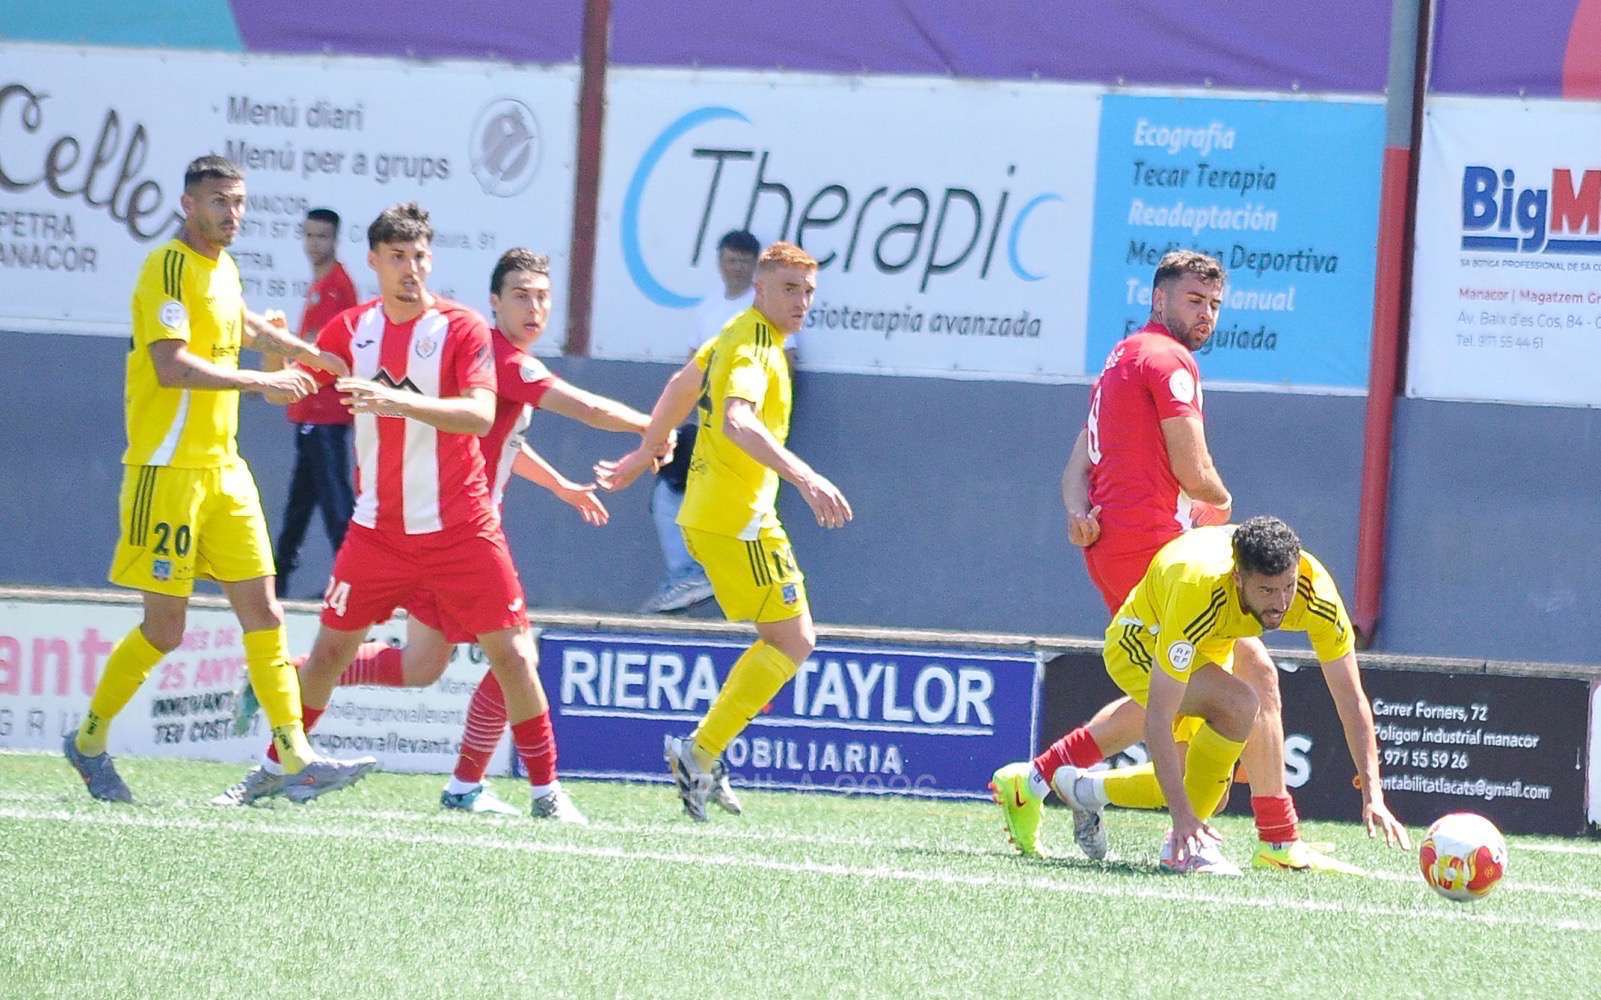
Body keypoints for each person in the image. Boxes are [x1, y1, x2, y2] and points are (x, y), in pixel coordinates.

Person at [991, 250, 1407, 872]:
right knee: (1222, 697)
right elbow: (1195, 471)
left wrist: (1077, 509)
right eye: (1194, 301)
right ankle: (1207, 833)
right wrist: (1223, 503)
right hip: (1155, 549)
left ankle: (1045, 780)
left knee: (1224, 684)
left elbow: (1080, 458)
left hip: (1124, 547)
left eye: (1214, 305)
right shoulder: (1170, 361)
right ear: (1158, 299)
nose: (1206, 314)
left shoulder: (1123, 357)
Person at [226, 248, 659, 818]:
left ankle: (294, 681)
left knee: (423, 667)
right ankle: (499, 788)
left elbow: (505, 441)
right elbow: (587, 408)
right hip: (456, 534)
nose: (534, 308)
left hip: (447, 532)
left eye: (542, 297)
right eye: (521, 296)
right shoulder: (503, 358)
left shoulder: (491, 357)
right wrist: (658, 425)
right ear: (495, 302)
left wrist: (560, 486)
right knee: (515, 657)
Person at [63, 155, 373, 804]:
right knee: (165, 631)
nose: (232, 213)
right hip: (166, 472)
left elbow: (243, 321)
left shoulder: (224, 268)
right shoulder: (166, 268)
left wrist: (305, 351)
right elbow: (172, 366)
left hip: (224, 471)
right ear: (188, 205)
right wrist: (263, 381)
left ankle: (293, 754)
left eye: (238, 202)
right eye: (218, 202)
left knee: (265, 611)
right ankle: (88, 740)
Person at [595, 242, 852, 822]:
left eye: (808, 291)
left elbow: (682, 385)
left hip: (712, 515)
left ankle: (706, 750)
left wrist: (646, 450)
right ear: (760, 289)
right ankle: (701, 751)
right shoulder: (755, 345)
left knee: (782, 639)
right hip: (741, 522)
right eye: (789, 289)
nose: (801, 302)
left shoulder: (737, 333)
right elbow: (737, 420)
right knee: (793, 641)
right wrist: (806, 476)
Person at [1029, 518, 1404, 875]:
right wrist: (1182, 817)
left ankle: (1082, 789)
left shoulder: (1315, 592)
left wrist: (1373, 793)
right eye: (1267, 591)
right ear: (1238, 578)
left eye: (1288, 586)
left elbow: (1351, 698)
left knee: (1213, 790)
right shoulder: (1198, 591)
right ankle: (1181, 850)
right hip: (1140, 642)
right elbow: (1158, 716)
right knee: (1239, 705)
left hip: (1212, 640)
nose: (1281, 603)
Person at [639, 230, 764, 613]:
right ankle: (690, 574)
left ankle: (698, 576)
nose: (737, 268)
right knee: (668, 492)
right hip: (706, 426)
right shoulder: (708, 309)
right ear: (720, 261)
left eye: (745, 261)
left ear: (756, 266)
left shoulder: (761, 309)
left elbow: (783, 367)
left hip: (743, 429)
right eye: (731, 260)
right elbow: (690, 373)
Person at [270, 208, 359, 598]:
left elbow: (324, 351)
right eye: (309, 235)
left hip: (326, 414)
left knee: (336, 507)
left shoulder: (337, 286)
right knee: (299, 508)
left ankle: (356, 585)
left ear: (335, 239)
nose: (314, 243)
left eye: (322, 236)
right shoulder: (321, 283)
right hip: (310, 413)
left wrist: (285, 371)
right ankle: (278, 584)